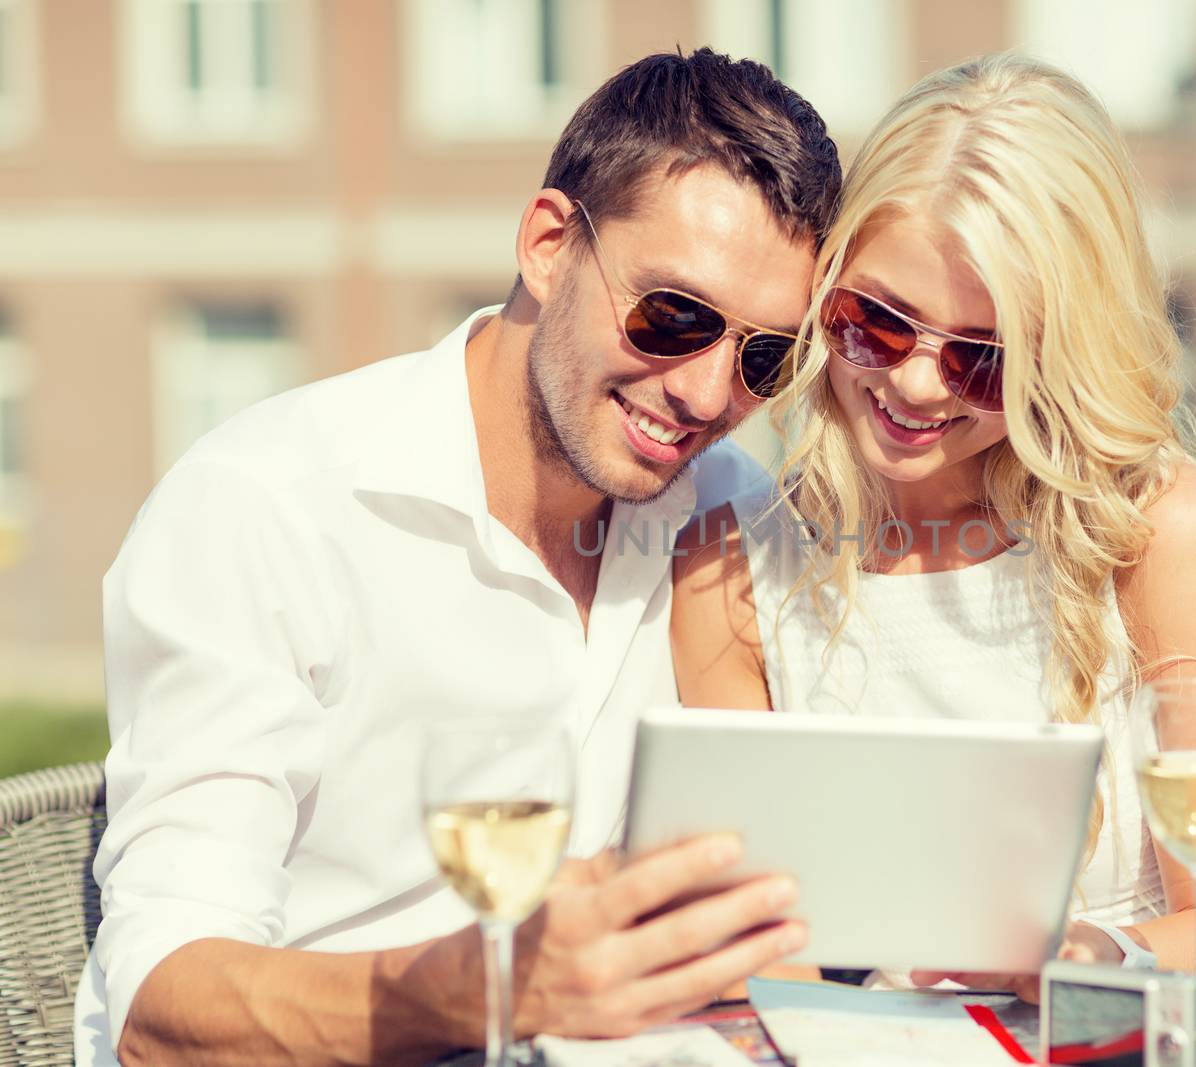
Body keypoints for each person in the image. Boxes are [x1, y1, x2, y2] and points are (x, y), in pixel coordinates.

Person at [76, 49, 840, 1066]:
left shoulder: (737, 513)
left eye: (762, 358)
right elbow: (157, 1012)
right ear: (548, 245)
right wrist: (485, 988)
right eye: (673, 316)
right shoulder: (264, 505)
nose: (706, 394)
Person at [672, 53, 1196, 1026]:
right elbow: (736, 957)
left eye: (981, 357)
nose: (915, 385)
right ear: (827, 289)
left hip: (1158, 1030)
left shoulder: (1154, 529)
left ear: (1063, 353)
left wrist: (1089, 958)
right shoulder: (731, 569)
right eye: (875, 322)